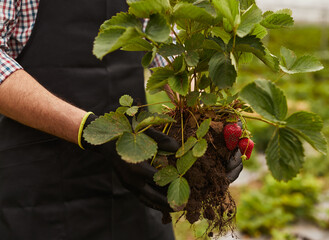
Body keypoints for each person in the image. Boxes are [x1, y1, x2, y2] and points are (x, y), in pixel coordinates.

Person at [0, 0, 243, 239]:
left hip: (135, 180)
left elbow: (167, 47)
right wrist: (91, 130)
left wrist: (207, 122)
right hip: (42, 193)